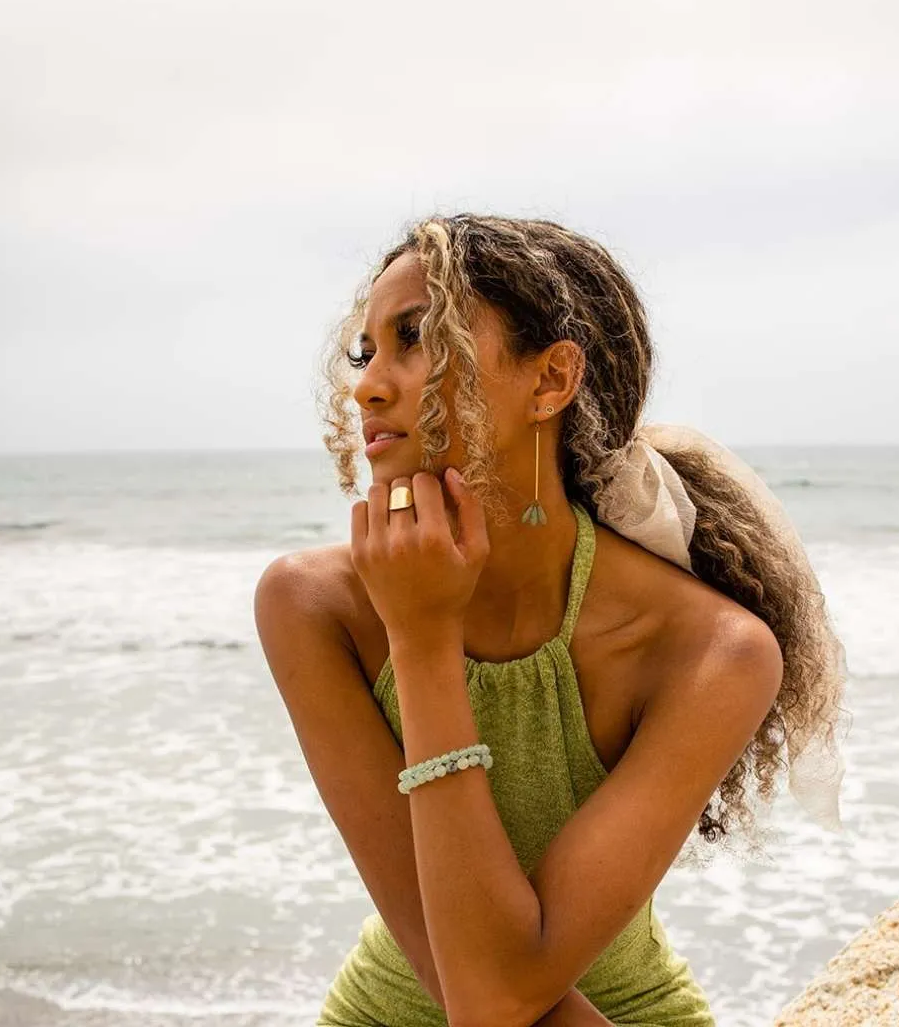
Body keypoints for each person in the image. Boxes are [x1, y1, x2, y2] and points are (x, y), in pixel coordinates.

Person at [254, 213, 849, 1026]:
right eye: (367, 352)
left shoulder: (712, 651)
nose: (368, 384)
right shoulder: (312, 605)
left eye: (417, 338)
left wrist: (424, 639)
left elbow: (497, 1000)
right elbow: (477, 991)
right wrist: (419, 635)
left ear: (550, 381)